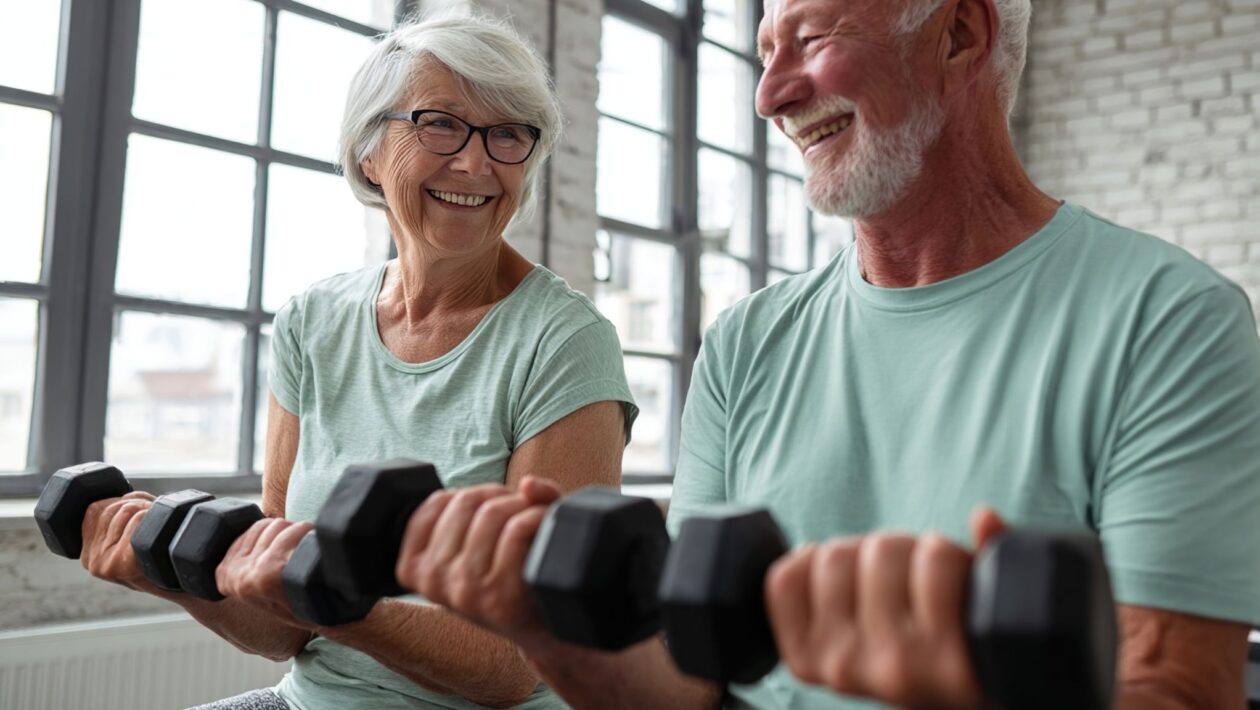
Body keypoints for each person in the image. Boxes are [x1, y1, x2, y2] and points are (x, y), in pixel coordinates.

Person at [388, 0, 1260, 708]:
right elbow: (688, 681)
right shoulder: (745, 342)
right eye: (765, 50)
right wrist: (544, 627)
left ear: (959, 33)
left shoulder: (1169, 319)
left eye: (813, 38)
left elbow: (1180, 690)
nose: (769, 96)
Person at [75, 11, 637, 710]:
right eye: (440, 122)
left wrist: (340, 602)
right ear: (368, 151)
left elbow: (522, 663)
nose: (475, 162)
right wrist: (164, 572)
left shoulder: (564, 340)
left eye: (508, 134)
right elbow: (277, 623)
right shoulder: (313, 322)